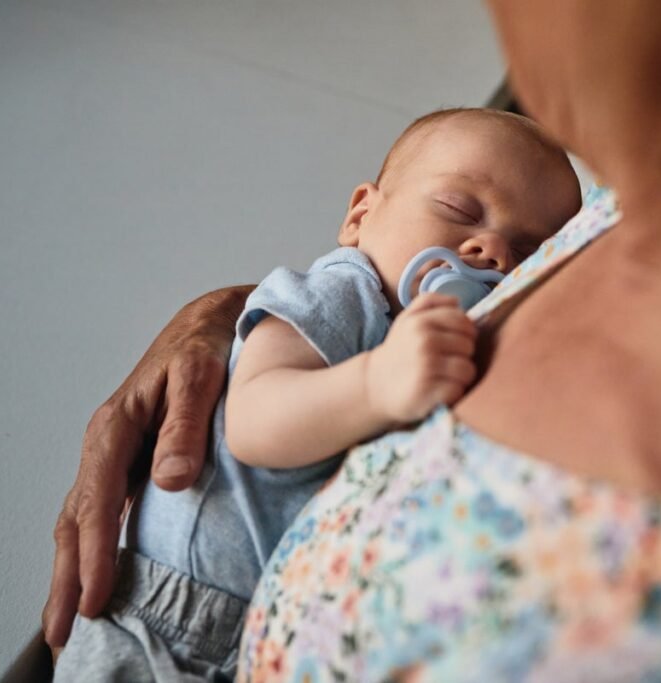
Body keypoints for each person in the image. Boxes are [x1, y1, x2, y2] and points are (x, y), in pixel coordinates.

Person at [45, 1, 661, 680]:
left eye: (517, 244)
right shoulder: (610, 198)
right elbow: (349, 327)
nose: (491, 252)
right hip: (147, 619)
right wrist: (236, 321)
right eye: (462, 214)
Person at [51, 107, 582, 680]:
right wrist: (378, 383)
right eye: (459, 209)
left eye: (528, 253)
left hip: (266, 640)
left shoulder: (437, 355)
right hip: (168, 621)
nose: (493, 252)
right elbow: (254, 422)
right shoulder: (344, 293)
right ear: (360, 216)